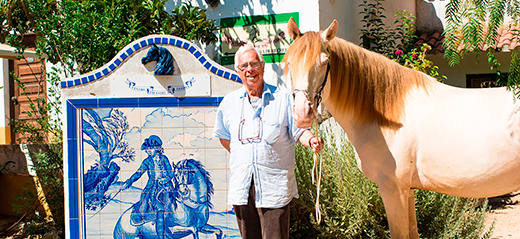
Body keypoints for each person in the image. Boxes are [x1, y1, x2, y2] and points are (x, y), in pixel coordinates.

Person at [213, 45, 323, 239]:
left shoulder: (282, 98)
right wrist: (244, 155)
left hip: (274, 186)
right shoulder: (229, 103)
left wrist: (312, 140)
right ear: (238, 71)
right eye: (244, 65)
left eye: (254, 64)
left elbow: (299, 132)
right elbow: (224, 136)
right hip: (243, 187)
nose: (250, 69)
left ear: (263, 67)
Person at [121, 135, 175, 238]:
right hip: (152, 188)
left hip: (166, 186)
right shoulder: (147, 161)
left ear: (158, 149)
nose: (148, 151)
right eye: (147, 149)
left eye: (151, 149)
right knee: (149, 206)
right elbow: (138, 173)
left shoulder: (164, 159)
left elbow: (170, 172)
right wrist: (128, 182)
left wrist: (166, 179)